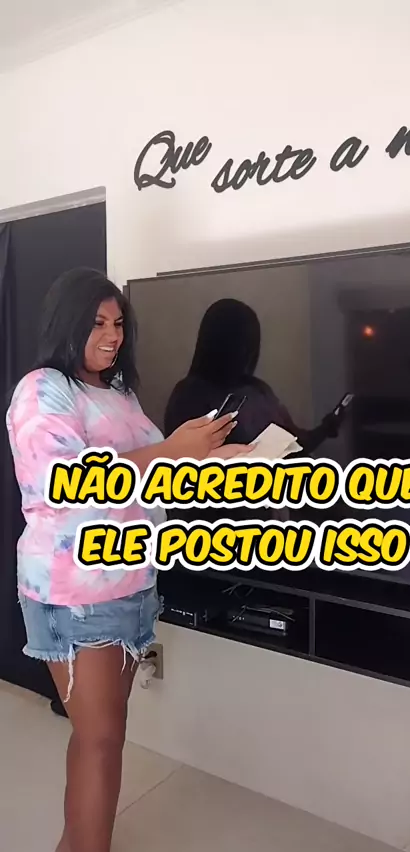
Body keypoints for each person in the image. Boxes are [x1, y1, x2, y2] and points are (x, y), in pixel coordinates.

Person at [6, 269, 250, 852]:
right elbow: (63, 482)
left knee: (99, 738)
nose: (113, 335)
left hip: (130, 582)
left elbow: (151, 475)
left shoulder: (118, 393)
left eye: (118, 323)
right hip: (77, 593)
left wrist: (219, 459)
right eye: (97, 323)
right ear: (67, 323)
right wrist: (170, 449)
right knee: (102, 741)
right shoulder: (43, 389)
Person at [165, 297, 344, 451]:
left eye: (251, 345)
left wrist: (325, 428)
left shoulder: (259, 390)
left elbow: (296, 443)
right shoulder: (188, 396)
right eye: (240, 345)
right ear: (218, 344)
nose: (247, 353)